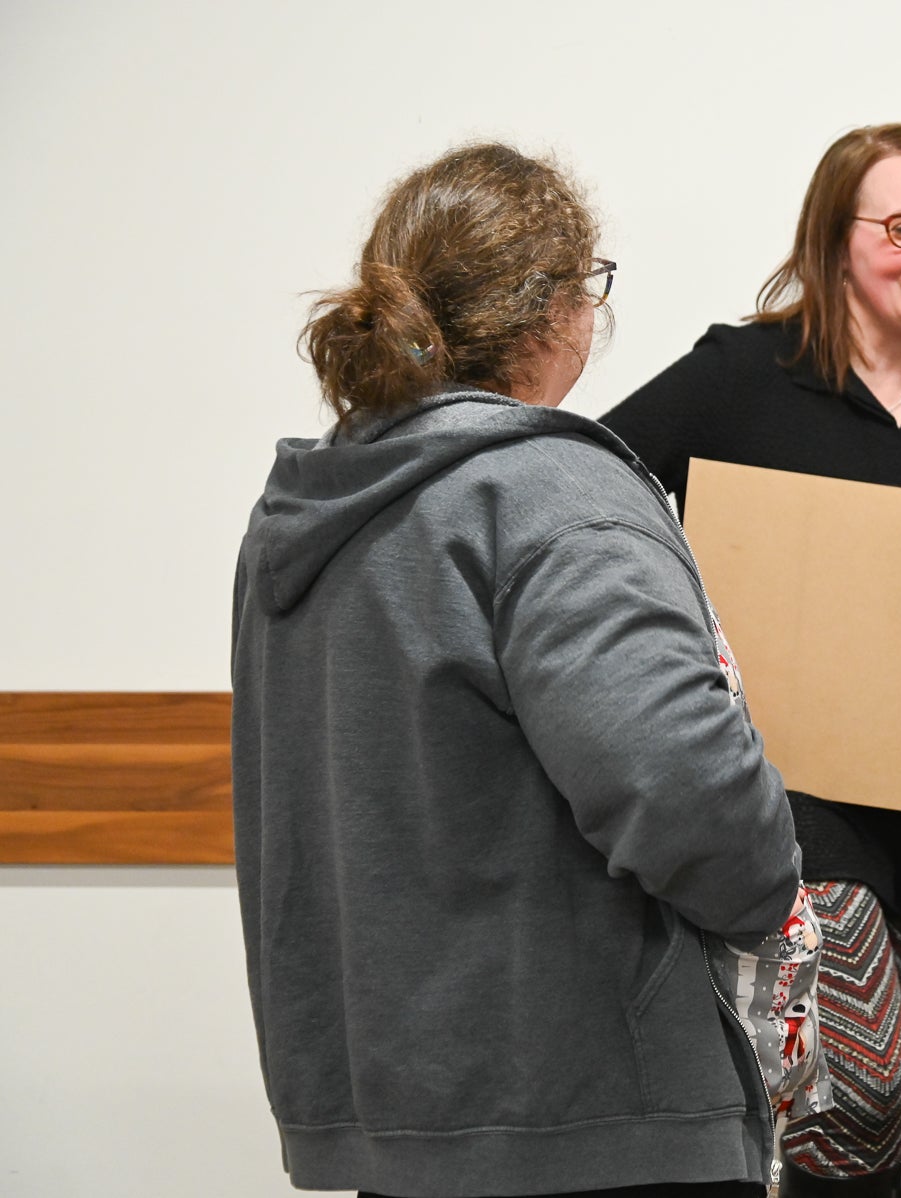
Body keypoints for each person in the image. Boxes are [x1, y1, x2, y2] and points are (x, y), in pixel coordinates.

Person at [231, 142, 813, 1198]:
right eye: (591, 286)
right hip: (592, 1122)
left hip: (402, 1121)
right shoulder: (550, 493)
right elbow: (680, 783)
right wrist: (771, 891)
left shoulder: (307, 513)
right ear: (555, 310)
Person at [602, 123, 901, 1197]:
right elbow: (588, 491)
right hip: (796, 800)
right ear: (835, 237)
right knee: (859, 1089)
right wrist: (671, 648)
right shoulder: (742, 375)